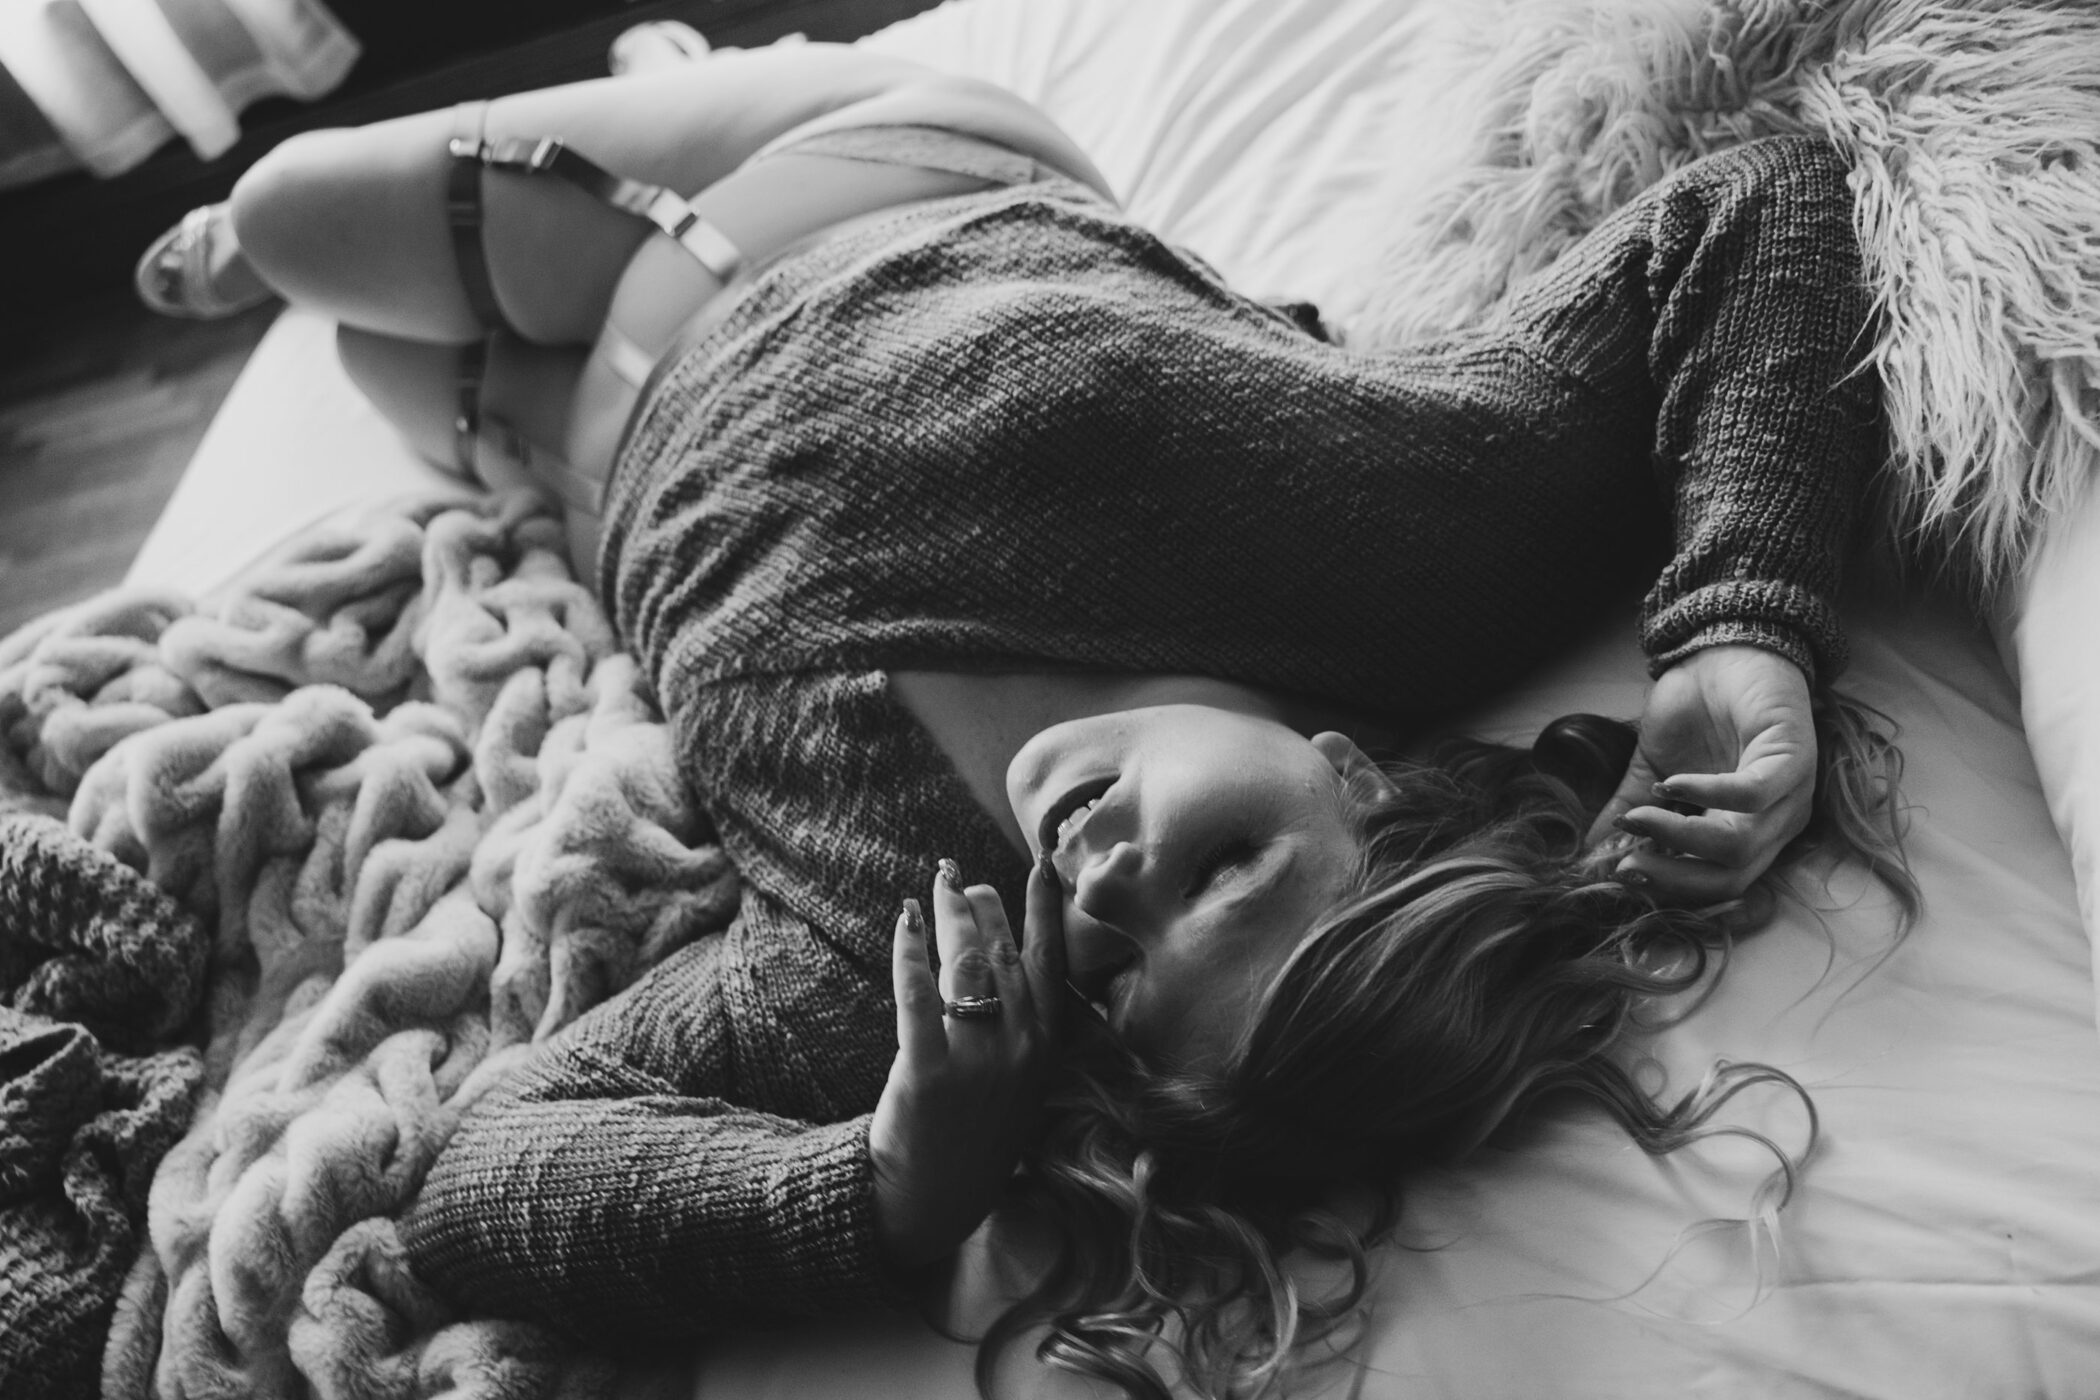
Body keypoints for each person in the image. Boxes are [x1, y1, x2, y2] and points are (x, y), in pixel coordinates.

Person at [137, 42, 1913, 1400]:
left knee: (368, 361)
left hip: (618, 442)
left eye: (1119, 970)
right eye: (1220, 864)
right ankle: (662, 92)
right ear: (1356, 778)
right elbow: (1752, 205)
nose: (1099, 878)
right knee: (285, 219)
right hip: (828, 187)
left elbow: (478, 1178)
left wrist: (884, 1183)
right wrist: (1741, 617)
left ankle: (589, 186)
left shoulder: (889, 971)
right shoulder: (1411, 546)